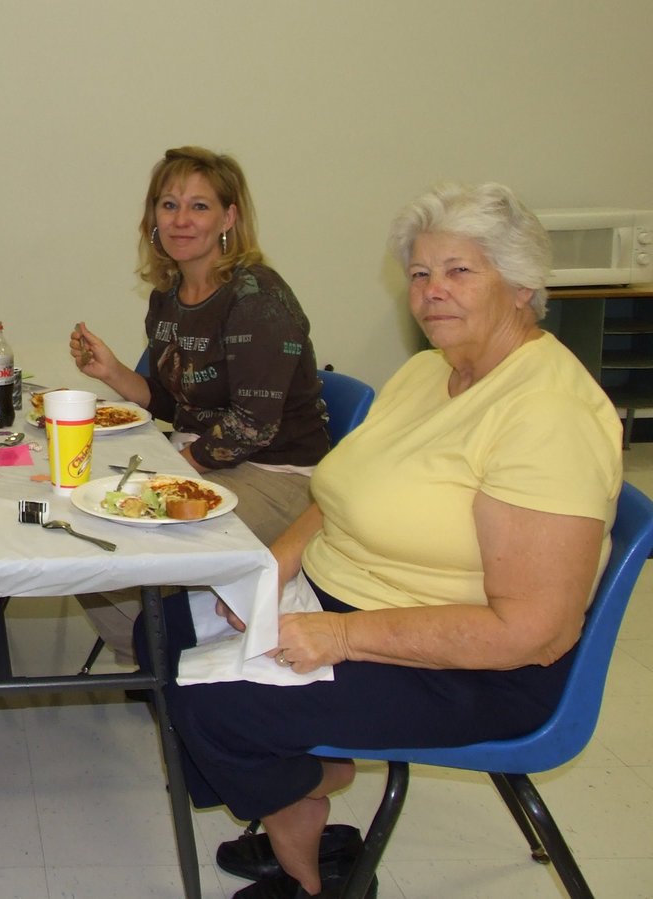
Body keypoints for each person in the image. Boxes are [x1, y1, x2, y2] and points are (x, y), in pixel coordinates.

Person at [149, 182, 622, 899]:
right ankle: (301, 785)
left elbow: (534, 630)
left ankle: (311, 863)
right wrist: (273, 569)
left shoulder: (548, 412)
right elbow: (341, 493)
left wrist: (338, 637)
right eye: (420, 273)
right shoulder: (432, 369)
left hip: (470, 668)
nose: (434, 292)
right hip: (348, 597)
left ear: (521, 285)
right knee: (168, 624)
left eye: (461, 271)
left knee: (216, 707)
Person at [70, 146, 330, 665]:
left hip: (277, 475)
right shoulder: (168, 295)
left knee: (128, 537)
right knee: (83, 529)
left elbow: (251, 427)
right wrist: (113, 372)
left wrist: (170, 471)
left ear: (229, 218)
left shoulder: (255, 297)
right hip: (208, 457)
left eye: (199, 206)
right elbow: (178, 401)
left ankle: (175, 656)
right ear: (152, 219)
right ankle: (161, 656)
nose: (181, 220)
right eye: (169, 205)